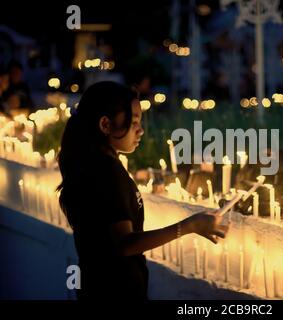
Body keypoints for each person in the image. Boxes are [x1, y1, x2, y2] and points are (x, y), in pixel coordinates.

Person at [56, 81, 228, 300]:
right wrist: (189, 226)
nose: (140, 129)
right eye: (134, 121)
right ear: (105, 124)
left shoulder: (90, 164)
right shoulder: (106, 172)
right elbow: (125, 244)